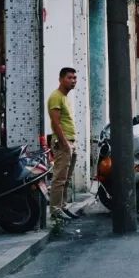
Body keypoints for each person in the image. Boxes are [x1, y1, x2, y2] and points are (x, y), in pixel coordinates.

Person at [47, 67, 80, 221]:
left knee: (66, 178)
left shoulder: (65, 97)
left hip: (70, 142)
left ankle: (63, 206)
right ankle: (55, 210)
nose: (73, 81)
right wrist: (65, 143)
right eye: (69, 78)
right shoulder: (56, 96)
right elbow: (55, 123)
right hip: (63, 142)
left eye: (74, 78)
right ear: (61, 79)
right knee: (59, 178)